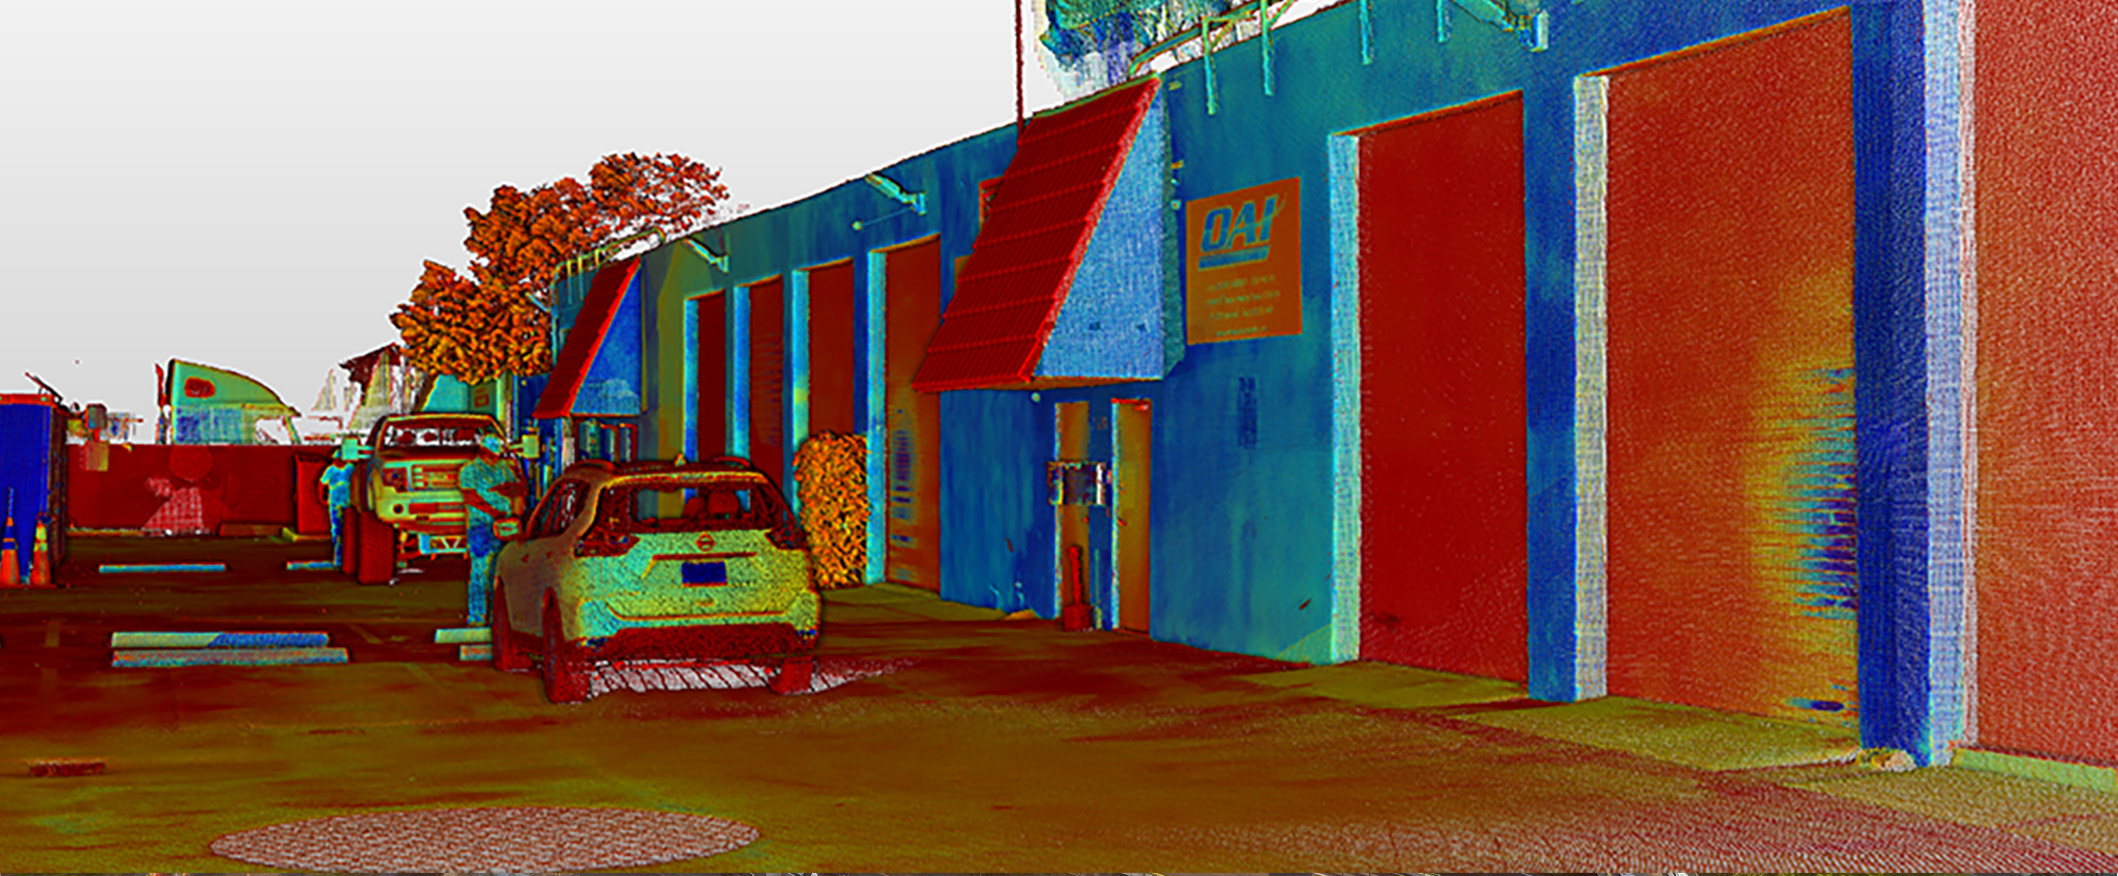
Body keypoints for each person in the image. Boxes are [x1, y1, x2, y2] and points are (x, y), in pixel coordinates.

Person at [458, 433, 525, 626]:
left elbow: (516, 490)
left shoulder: (504, 469)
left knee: (505, 572)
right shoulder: (469, 471)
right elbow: (471, 498)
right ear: (483, 452)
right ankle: (478, 615)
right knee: (480, 572)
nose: (495, 459)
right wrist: (495, 512)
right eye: (491, 455)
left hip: (505, 525)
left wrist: (515, 512)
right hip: (482, 527)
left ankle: (502, 616)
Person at [319, 444, 357, 569]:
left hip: (349, 503)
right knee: (337, 529)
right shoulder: (330, 470)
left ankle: (349, 557)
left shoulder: (350, 468)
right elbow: (321, 484)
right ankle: (338, 557)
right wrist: (322, 497)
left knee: (350, 530)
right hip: (335, 502)